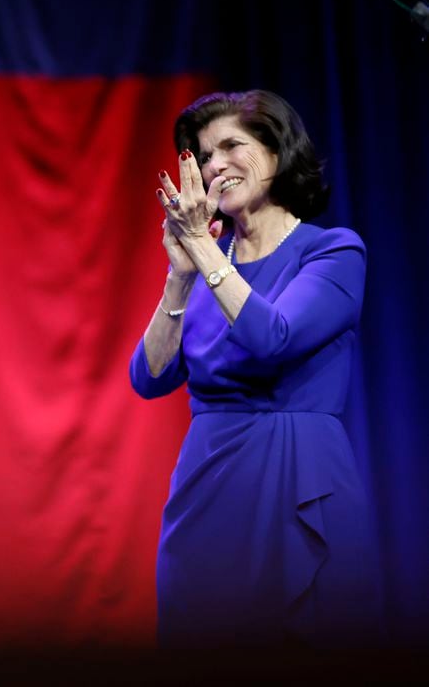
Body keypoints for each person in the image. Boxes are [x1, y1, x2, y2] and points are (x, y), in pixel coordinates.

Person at [129, 89, 380, 647]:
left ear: (276, 152)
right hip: (209, 484)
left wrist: (202, 247)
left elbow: (275, 339)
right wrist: (180, 274)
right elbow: (148, 378)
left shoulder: (334, 251)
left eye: (230, 146)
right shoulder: (206, 267)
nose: (215, 165)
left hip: (299, 476)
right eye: (202, 154)